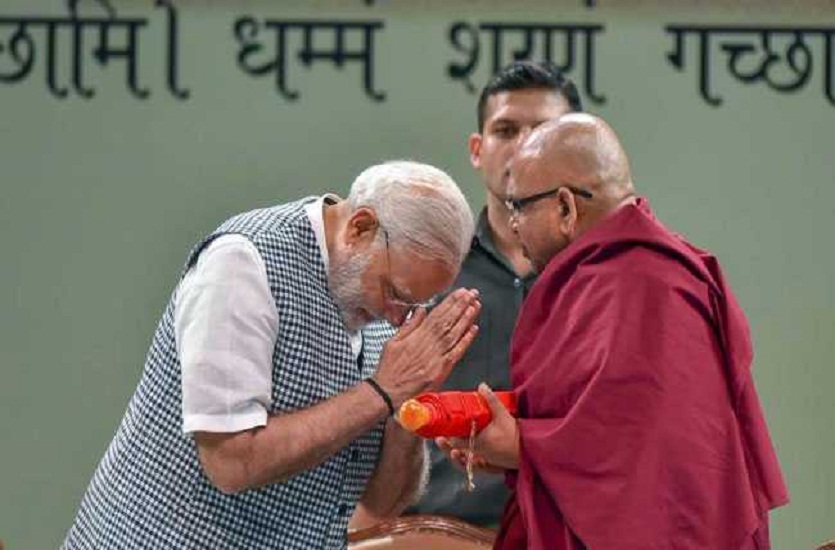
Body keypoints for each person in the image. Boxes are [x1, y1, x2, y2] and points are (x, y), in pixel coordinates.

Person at [63, 160, 482, 549]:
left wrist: (407, 407)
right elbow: (231, 462)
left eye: (412, 306)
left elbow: (380, 505)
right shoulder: (243, 263)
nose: (396, 318)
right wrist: (380, 391)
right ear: (360, 228)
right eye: (395, 293)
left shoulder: (378, 313)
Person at [441, 114, 789, 549]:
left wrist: (520, 447)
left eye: (519, 207)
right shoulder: (629, 274)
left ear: (565, 208)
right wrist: (518, 453)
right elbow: (602, 427)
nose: (512, 224)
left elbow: (640, 457)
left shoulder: (639, 285)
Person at [407, 60, 583, 527]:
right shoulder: (429, 269)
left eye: (543, 132)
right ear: (477, 149)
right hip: (437, 532)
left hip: (569, 530)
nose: (524, 146)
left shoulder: (605, 279)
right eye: (506, 130)